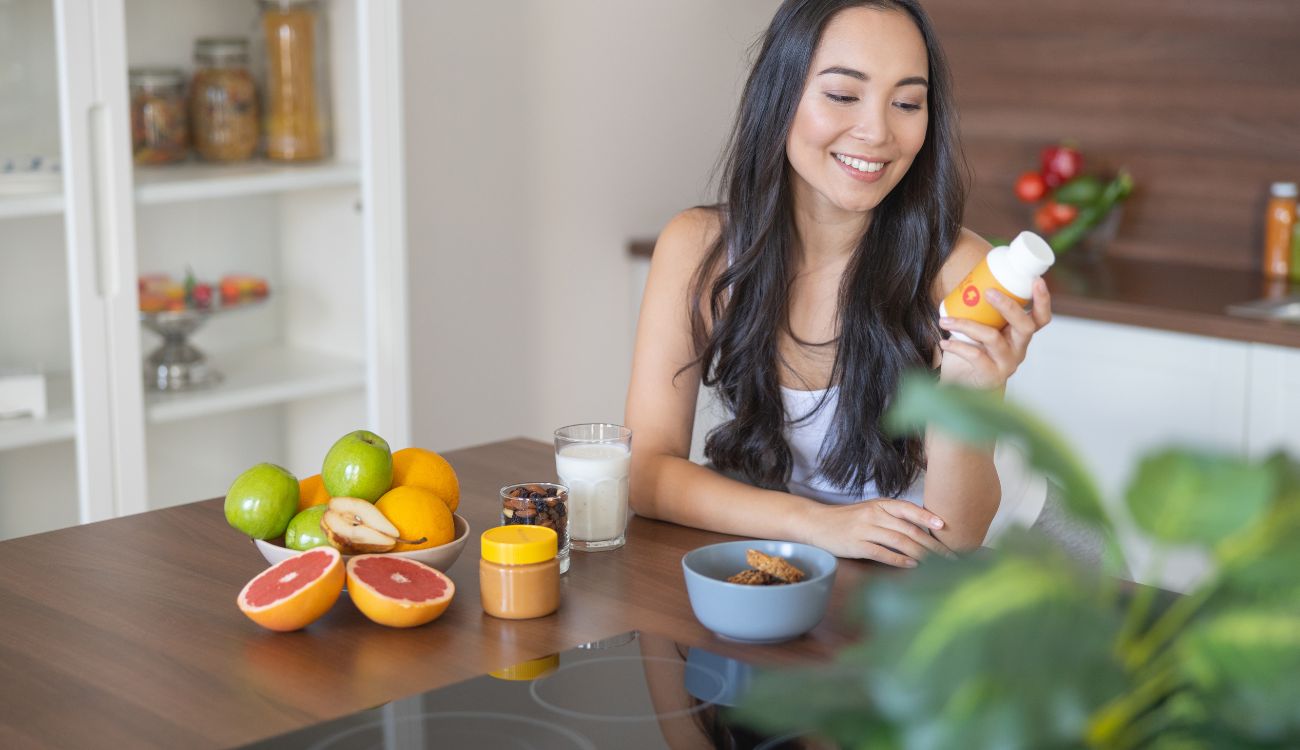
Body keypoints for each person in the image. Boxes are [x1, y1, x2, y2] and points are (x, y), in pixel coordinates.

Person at [625, 0, 1052, 567]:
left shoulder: (960, 271)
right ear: (780, 97)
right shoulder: (697, 248)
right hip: (829, 555)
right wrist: (817, 525)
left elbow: (957, 536)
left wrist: (969, 387)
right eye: (843, 95)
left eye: (906, 103)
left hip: (1005, 562)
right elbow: (646, 472)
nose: (877, 131)